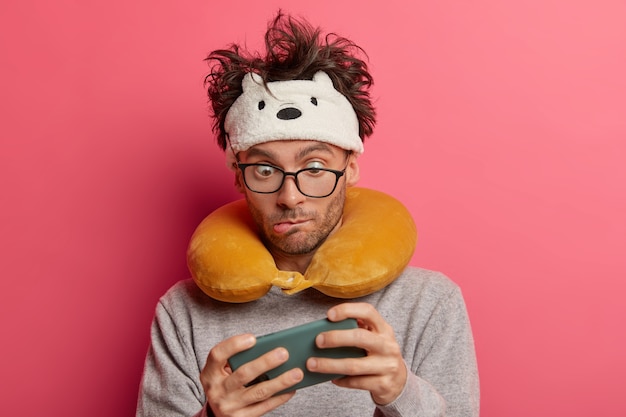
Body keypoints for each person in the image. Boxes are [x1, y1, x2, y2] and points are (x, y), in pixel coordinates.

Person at [136, 12, 479, 417]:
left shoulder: (429, 303)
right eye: (265, 170)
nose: (290, 196)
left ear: (350, 166)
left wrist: (402, 392)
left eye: (314, 167)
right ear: (238, 177)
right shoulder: (184, 312)